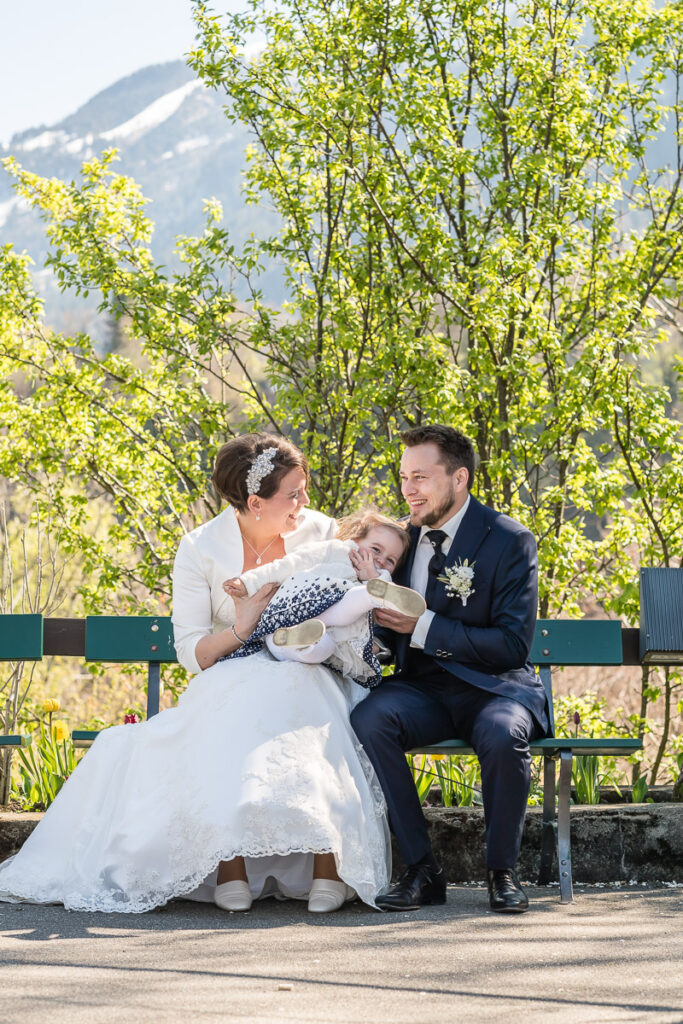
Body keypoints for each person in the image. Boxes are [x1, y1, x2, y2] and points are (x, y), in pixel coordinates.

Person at [0, 434, 391, 915]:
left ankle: (328, 864)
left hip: (308, 664)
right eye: (294, 493)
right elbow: (192, 651)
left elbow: (350, 601)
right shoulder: (200, 547)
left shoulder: (322, 531)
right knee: (230, 704)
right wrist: (242, 627)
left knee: (298, 690)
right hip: (229, 669)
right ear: (254, 502)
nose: (304, 502)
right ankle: (229, 865)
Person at [350, 425, 549, 914]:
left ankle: (502, 872)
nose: (408, 490)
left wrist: (424, 626)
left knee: (504, 736)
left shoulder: (509, 540)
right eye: (403, 477)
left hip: (495, 690)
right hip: (425, 690)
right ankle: (421, 871)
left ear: (459, 479)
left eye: (420, 477)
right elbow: (388, 632)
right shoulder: (401, 540)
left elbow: (511, 644)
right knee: (369, 719)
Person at [222, 509, 425, 686]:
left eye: (390, 560)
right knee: (346, 601)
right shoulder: (337, 550)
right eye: (375, 549)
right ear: (355, 540)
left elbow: (388, 619)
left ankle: (303, 638)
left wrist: (371, 577)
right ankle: (370, 594)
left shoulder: (381, 576)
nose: (380, 560)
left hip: (325, 633)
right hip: (300, 604)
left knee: (323, 648)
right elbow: (289, 564)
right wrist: (248, 582)